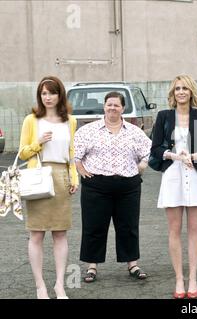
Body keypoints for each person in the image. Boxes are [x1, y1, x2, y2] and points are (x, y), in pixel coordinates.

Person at [74, 91, 151, 283]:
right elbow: (75, 153)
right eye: (109, 104)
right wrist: (81, 169)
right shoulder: (89, 130)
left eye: (116, 105)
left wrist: (143, 165)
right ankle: (92, 266)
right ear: (104, 106)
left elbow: (150, 150)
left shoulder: (134, 131)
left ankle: (132, 264)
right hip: (96, 185)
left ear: (123, 108)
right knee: (94, 226)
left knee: (128, 226)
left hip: (128, 185)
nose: (112, 108)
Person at [151, 75, 197, 299]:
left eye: (185, 88)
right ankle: (179, 278)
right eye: (177, 88)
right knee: (174, 230)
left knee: (194, 230)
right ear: (172, 92)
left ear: (191, 91)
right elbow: (155, 148)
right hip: (172, 175)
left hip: (195, 176)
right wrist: (176, 156)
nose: (181, 92)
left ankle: (193, 278)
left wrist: (194, 156)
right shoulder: (164, 116)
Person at [19, 76, 78, 299]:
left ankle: (60, 285)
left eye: (51, 93)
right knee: (36, 234)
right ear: (39, 96)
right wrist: (39, 143)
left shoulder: (69, 121)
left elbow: (72, 154)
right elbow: (22, 152)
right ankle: (40, 286)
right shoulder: (31, 120)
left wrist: (74, 178)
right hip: (38, 176)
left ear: (59, 95)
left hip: (61, 177)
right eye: (43, 93)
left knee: (61, 234)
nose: (47, 97)